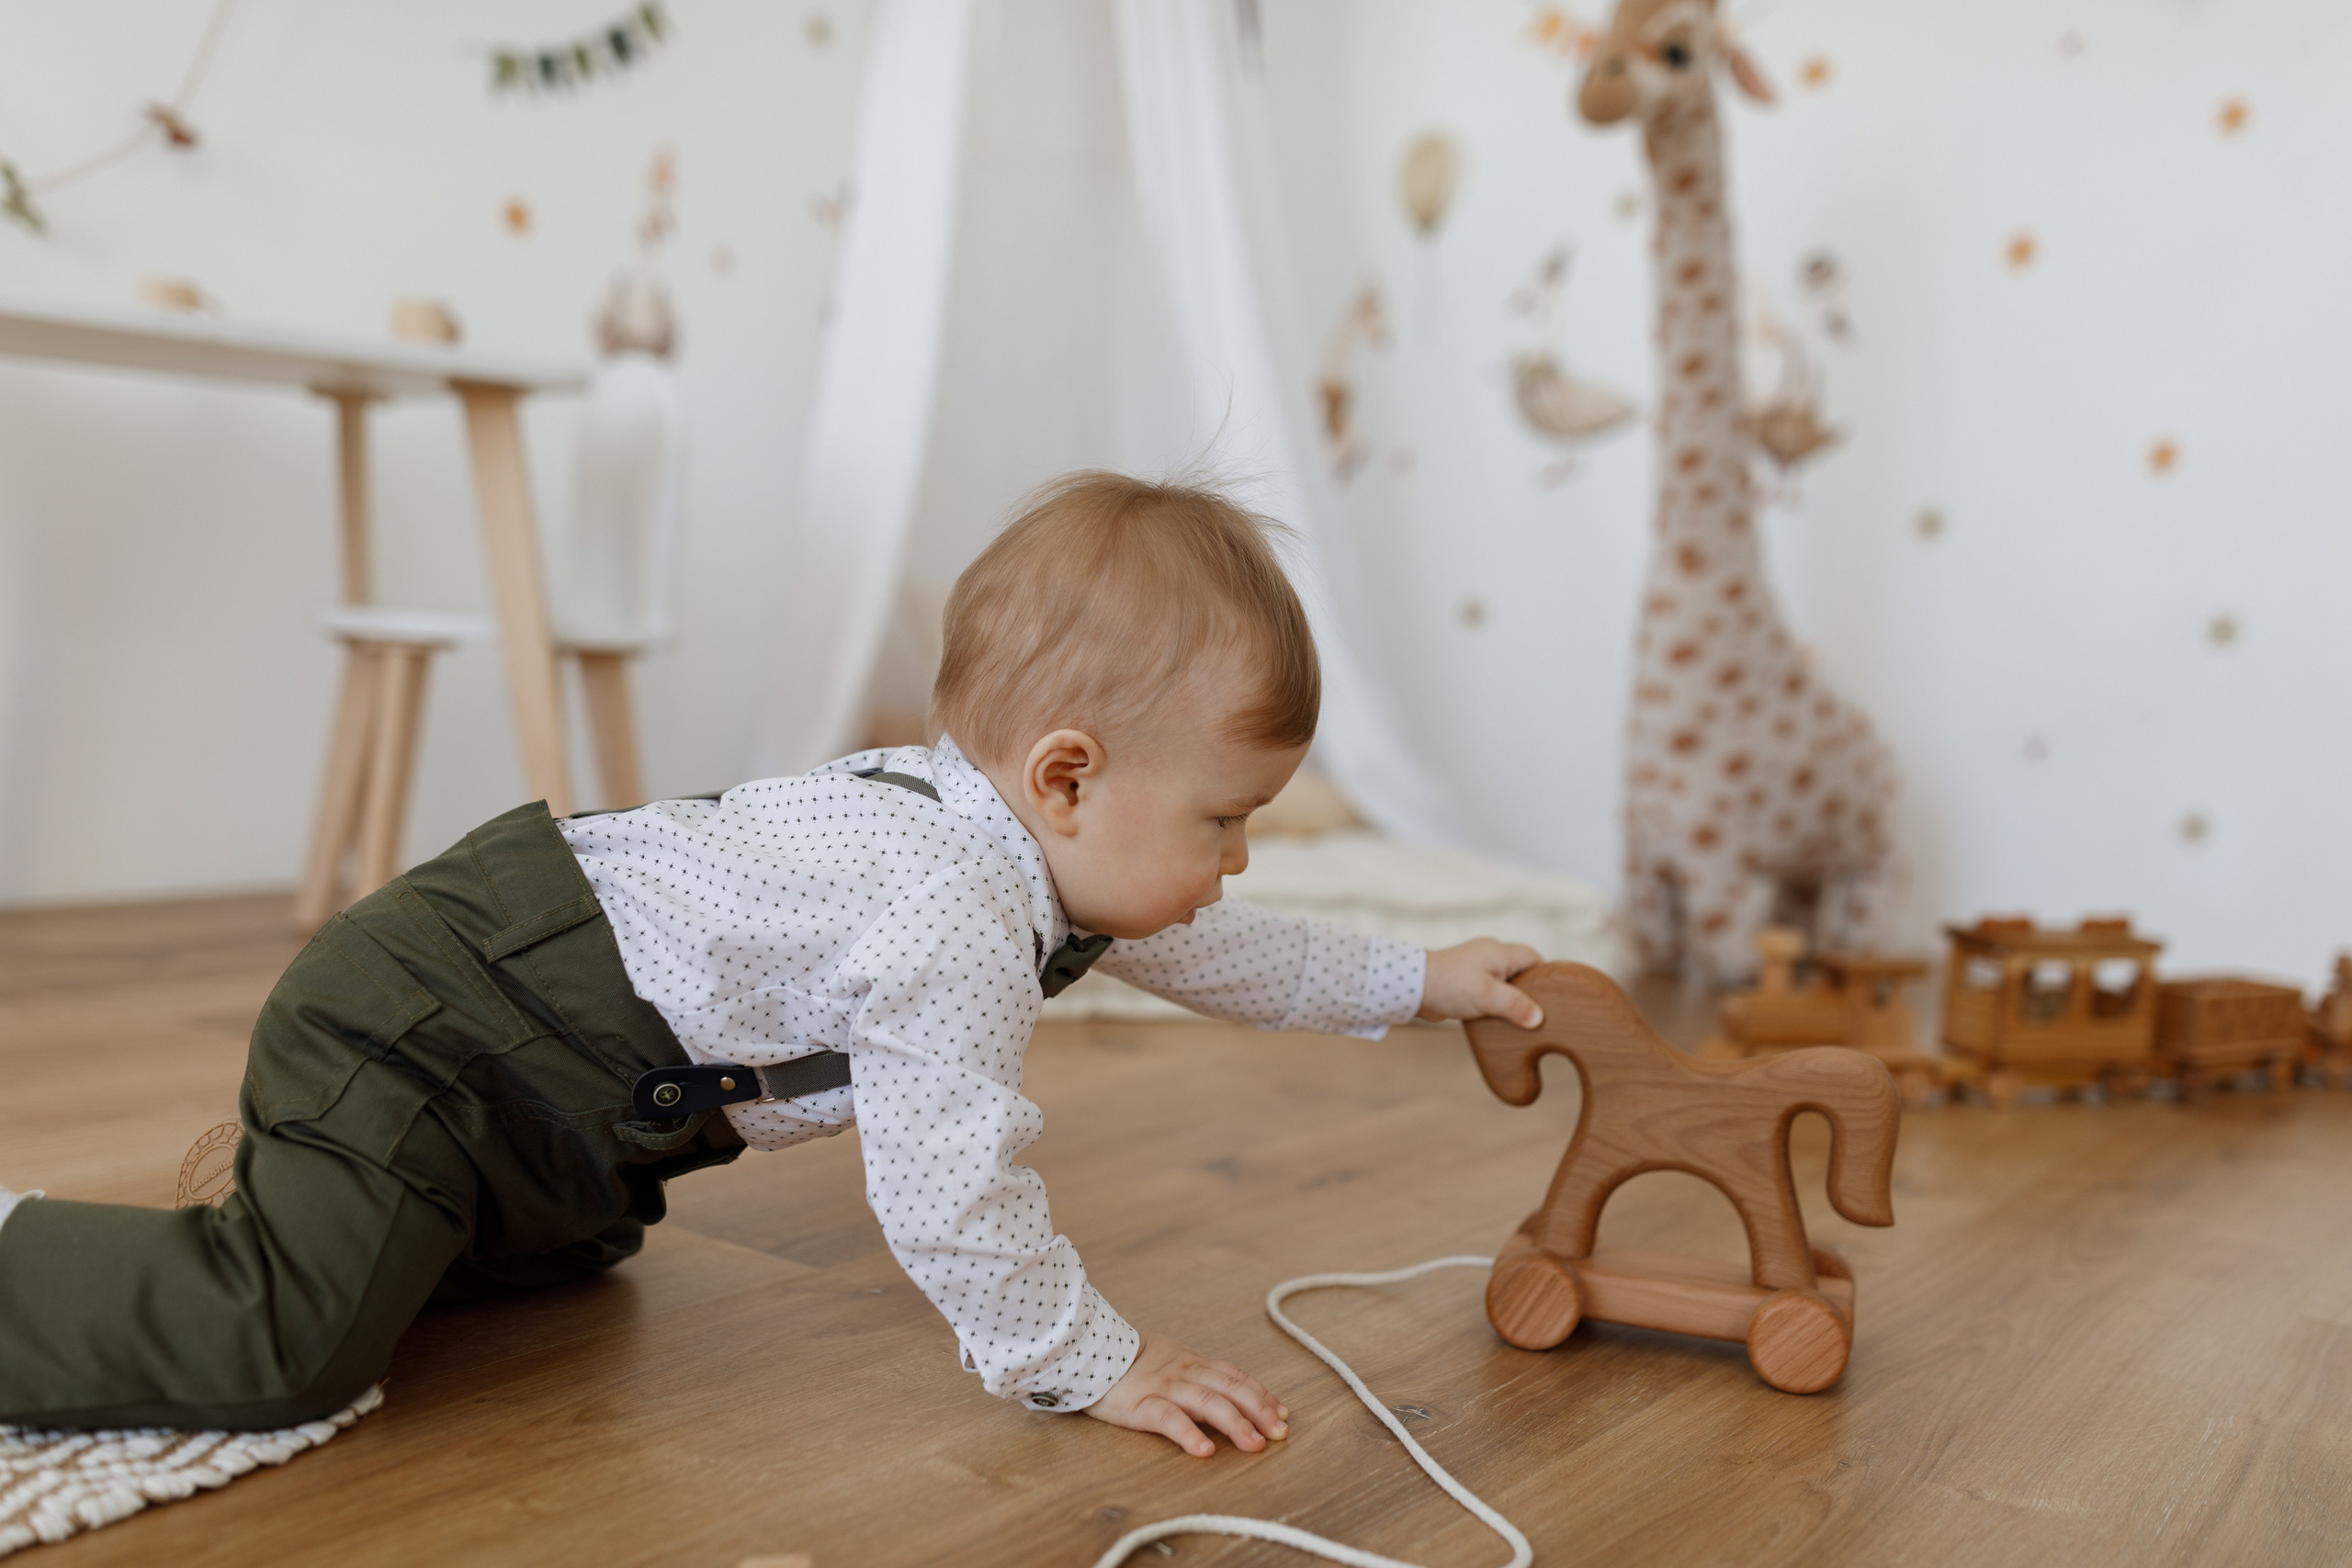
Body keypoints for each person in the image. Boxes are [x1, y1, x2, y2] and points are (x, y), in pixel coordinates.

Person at [0, 470, 1543, 1459]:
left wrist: (1423, 981)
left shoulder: (1014, 840)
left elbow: (1225, 951)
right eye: (1227, 818)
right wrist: (1086, 1359)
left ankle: (351, 1193)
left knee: (563, 1276)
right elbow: (952, 1185)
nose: (1237, 860)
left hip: (538, 1090)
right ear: (1068, 777)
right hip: (433, 1030)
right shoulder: (952, 906)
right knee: (288, 1345)